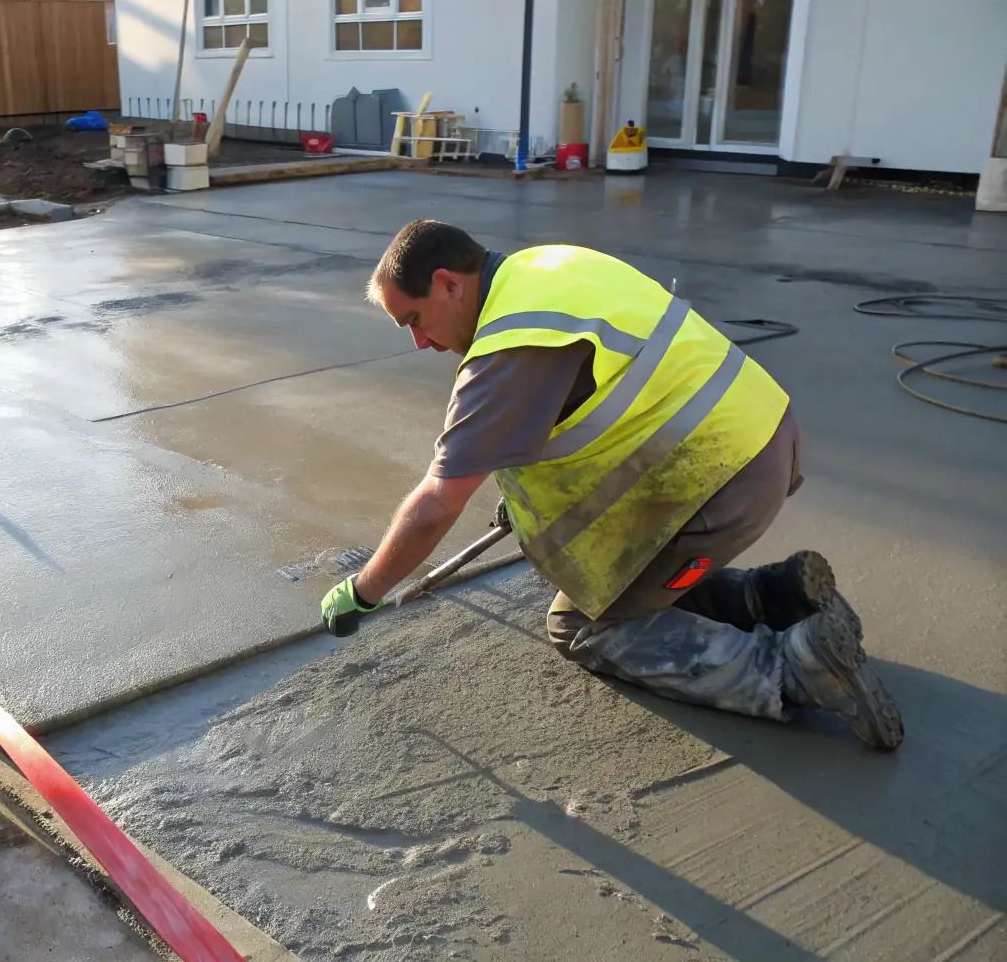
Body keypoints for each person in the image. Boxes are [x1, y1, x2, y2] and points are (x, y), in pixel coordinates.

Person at [320, 220, 903, 750]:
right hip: (767, 433)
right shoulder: (546, 266)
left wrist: (363, 591)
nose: (419, 342)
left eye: (414, 320)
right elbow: (596, 406)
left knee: (581, 623)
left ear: (448, 283)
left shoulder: (510, 344)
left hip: (723, 483)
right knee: (621, 578)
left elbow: (437, 502)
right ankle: (775, 596)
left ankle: (794, 667)